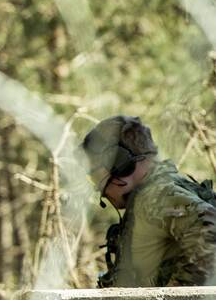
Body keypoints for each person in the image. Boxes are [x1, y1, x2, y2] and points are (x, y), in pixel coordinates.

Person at [82, 114, 216, 288]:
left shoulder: (155, 197)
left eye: (94, 176)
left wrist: (175, 297)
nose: (98, 190)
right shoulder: (158, 193)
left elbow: (211, 231)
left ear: (119, 163)